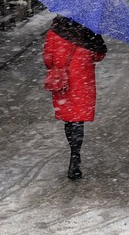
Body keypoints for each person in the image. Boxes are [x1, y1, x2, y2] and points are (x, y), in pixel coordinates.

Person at [43, 16, 107, 180]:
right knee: (78, 119)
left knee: (69, 119)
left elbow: (48, 60)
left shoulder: (53, 32)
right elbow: (98, 56)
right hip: (83, 81)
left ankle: (73, 150)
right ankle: (75, 155)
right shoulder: (88, 32)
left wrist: (60, 61)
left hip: (63, 82)